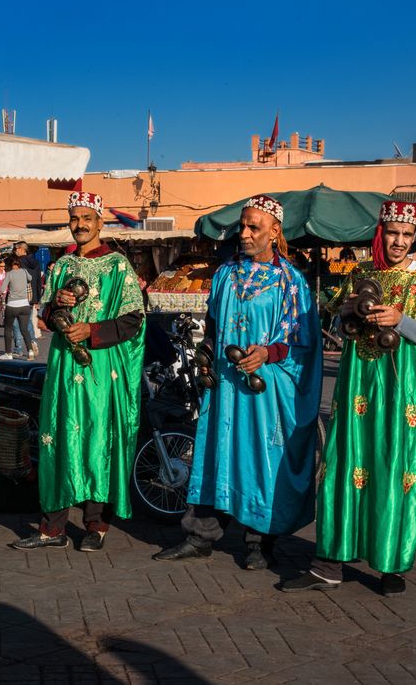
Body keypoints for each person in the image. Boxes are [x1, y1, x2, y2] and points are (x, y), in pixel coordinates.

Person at [281, 200, 416, 597]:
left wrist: (402, 321)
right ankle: (329, 562)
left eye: (407, 235)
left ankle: (391, 563)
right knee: (343, 465)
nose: (399, 242)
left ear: (414, 238)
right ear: (381, 233)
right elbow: (335, 319)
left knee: (393, 470)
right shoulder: (360, 273)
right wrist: (347, 312)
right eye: (393, 233)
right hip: (357, 389)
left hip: (400, 395)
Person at [153, 196, 322, 569]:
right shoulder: (225, 274)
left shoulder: (290, 282)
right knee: (216, 453)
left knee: (260, 458)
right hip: (225, 388)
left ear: (275, 232)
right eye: (242, 226)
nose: (243, 234)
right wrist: (206, 351)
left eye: (253, 227)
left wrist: (268, 353)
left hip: (266, 389)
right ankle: (200, 536)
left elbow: (303, 339)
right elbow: (213, 323)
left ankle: (259, 543)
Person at [13, 192, 145, 552]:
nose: (80, 225)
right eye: (74, 218)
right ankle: (52, 528)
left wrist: (93, 330)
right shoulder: (60, 267)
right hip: (63, 368)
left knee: (95, 441)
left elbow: (134, 320)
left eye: (87, 218)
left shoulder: (118, 266)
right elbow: (45, 319)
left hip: (100, 370)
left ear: (100, 222)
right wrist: (58, 305)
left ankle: (95, 526)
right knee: (57, 439)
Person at [0, 255, 35, 360]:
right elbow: (30, 279)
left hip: (12, 305)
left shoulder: (9, 274)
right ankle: (30, 351)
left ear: (10, 265)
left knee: (8, 329)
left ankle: (8, 353)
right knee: (24, 329)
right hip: (25, 305)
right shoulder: (24, 271)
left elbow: (2, 289)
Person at [13, 241, 42, 355]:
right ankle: (33, 342)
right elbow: (39, 282)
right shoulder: (36, 262)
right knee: (27, 321)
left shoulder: (18, 262)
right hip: (31, 297)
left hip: (18, 295)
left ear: (21, 249)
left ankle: (18, 349)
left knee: (15, 322)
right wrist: (37, 298)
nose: (15, 251)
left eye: (16, 249)